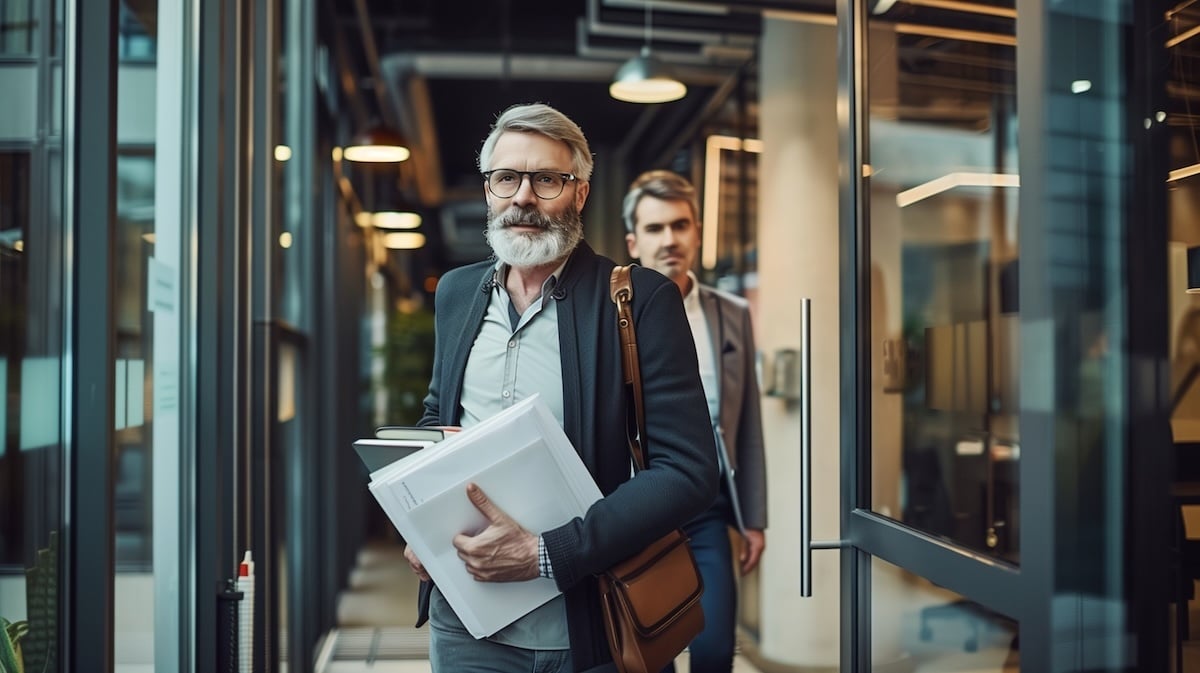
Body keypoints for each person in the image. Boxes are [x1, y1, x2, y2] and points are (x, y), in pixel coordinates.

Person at [404, 103, 719, 673]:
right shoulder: (456, 294)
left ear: (579, 194)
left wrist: (550, 553)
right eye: (507, 178)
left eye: (547, 179)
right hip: (467, 624)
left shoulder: (640, 300)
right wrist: (420, 522)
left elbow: (688, 471)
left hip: (590, 627)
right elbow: (439, 415)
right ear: (488, 191)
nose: (523, 197)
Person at [623, 169, 767, 673]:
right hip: (638, 508)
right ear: (633, 241)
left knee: (713, 651)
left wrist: (753, 518)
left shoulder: (730, 313)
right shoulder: (611, 314)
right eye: (656, 228)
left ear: (698, 233)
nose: (670, 240)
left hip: (707, 506)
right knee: (649, 651)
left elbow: (746, 421)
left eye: (680, 226)